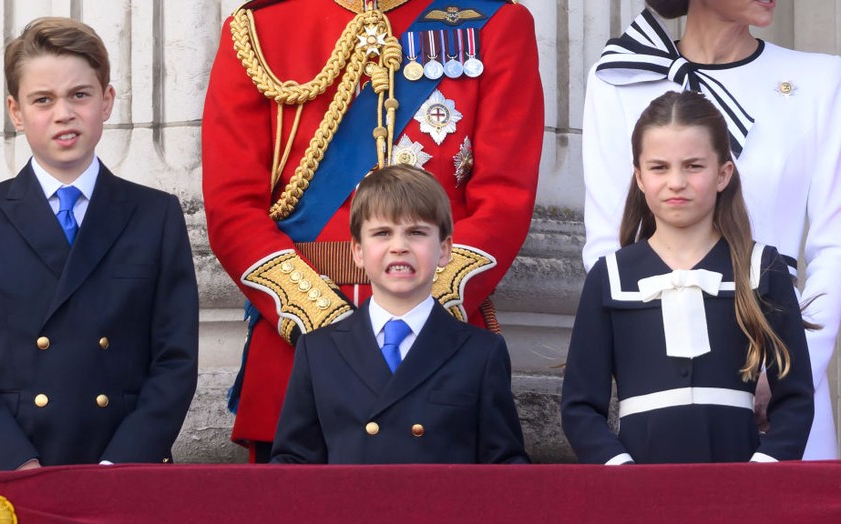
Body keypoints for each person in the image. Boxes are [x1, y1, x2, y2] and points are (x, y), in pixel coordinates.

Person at [201, 0, 543, 461]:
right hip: (298, 345)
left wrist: (421, 312)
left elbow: (504, 200)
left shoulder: (495, 22)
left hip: (437, 350)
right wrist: (327, 329)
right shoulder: (259, 30)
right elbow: (232, 208)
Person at [0, 17, 199, 471]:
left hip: (122, 469)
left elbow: (174, 360)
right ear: (16, 112)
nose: (64, 113)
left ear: (107, 100)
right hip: (10, 470)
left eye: (80, 94)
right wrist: (13, 462)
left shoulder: (156, 216)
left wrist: (122, 465)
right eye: (43, 100)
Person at [581, 0, 841, 460]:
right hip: (662, 393)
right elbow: (607, 244)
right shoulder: (619, 77)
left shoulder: (824, 80)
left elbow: (836, 243)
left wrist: (790, 365)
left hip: (783, 358)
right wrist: (647, 370)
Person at [562, 90, 814, 464]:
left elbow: (794, 399)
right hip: (639, 493)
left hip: (741, 490)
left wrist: (763, 473)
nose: (676, 181)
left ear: (723, 173)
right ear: (640, 177)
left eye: (694, 166)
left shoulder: (763, 269)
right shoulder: (610, 276)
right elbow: (580, 408)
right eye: (659, 167)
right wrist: (621, 472)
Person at [270, 165, 529, 464]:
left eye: (416, 233)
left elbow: (506, 469)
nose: (399, 247)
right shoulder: (318, 351)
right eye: (382, 233)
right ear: (358, 252)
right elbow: (293, 466)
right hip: (346, 511)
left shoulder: (481, 353)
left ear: (444, 249)